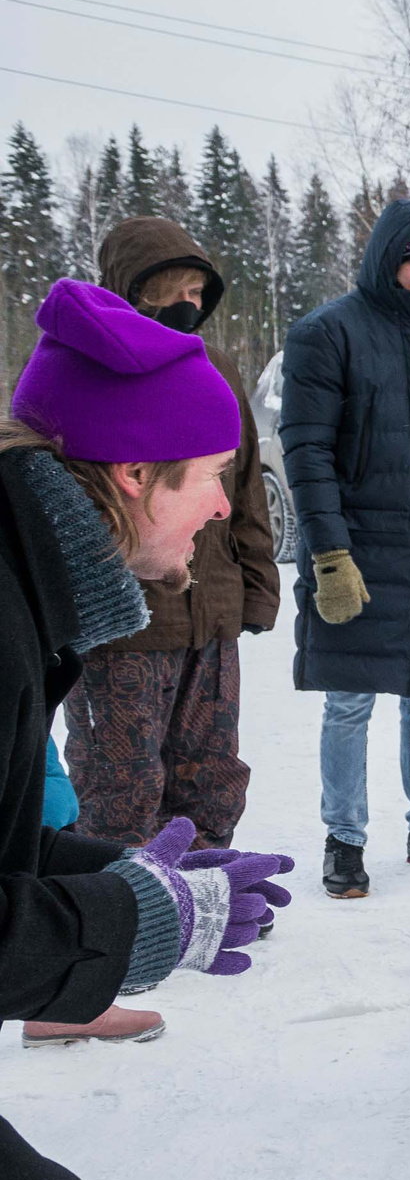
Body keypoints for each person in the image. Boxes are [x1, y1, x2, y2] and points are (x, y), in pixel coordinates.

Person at [3, 279, 292, 1180]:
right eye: (207, 473)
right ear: (130, 474)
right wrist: (134, 917)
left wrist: (119, 872)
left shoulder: (28, 582)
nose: (226, 503)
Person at [37, 219, 277, 1050]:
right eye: (167, 285)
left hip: (208, 612)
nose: (186, 298)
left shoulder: (220, 372)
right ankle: (84, 958)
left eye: (196, 287)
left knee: (211, 766)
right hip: (124, 625)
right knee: (119, 777)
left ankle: (199, 903)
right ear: (127, 287)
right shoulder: (92, 374)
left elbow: (244, 493)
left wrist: (255, 579)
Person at [280, 200, 410, 899]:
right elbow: (307, 452)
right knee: (350, 702)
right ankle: (344, 839)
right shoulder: (328, 333)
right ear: (386, 261)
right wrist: (328, 555)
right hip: (362, 550)